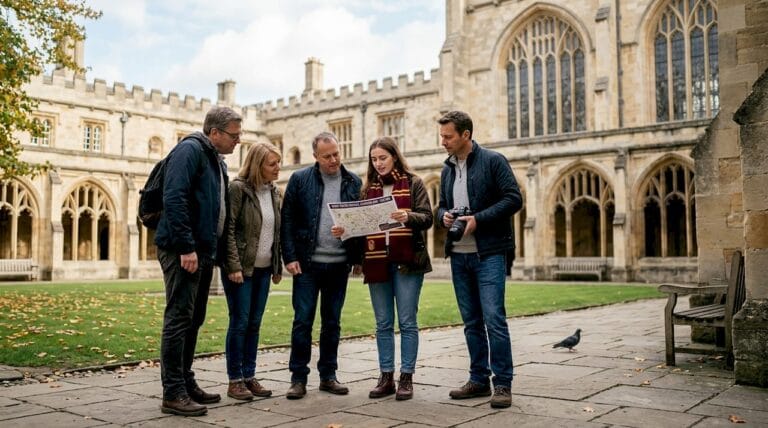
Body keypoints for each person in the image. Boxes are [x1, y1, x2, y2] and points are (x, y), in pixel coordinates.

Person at [155, 106, 241, 416]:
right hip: (184, 250)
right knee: (179, 318)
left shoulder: (215, 160)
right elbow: (174, 197)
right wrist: (186, 246)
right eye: (234, 135)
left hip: (202, 252)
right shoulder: (189, 150)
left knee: (194, 318)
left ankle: (186, 381)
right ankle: (173, 391)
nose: (238, 141)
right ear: (215, 133)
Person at [332, 137, 432, 401]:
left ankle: (406, 377)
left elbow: (428, 218)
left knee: (408, 322)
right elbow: (361, 230)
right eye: (374, 159)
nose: (378, 164)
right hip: (377, 262)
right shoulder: (368, 190)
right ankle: (385, 377)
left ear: (395, 157)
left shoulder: (413, 183)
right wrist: (346, 230)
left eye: (383, 158)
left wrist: (407, 217)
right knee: (383, 323)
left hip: (407, 262)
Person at [436, 110, 523, 409]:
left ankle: (502, 384)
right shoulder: (446, 170)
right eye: (442, 136)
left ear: (466, 135)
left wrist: (478, 220)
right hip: (459, 255)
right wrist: (444, 216)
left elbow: (514, 199)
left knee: (494, 320)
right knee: (471, 322)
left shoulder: (493, 161)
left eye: (448, 136)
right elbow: (441, 206)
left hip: (488, 253)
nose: (443, 141)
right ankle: (478, 379)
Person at [280, 131, 362, 399]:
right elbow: (288, 220)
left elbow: (361, 223)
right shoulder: (300, 179)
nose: (334, 159)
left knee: (332, 323)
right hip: (307, 265)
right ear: (315, 156)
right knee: (302, 321)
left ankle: (328, 375)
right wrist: (289, 257)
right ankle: (298, 378)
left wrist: (357, 255)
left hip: (339, 266)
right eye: (327, 156)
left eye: (336, 154)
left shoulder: (353, 181)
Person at [220, 142, 283, 401]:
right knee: (240, 321)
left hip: (264, 269)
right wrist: (233, 266)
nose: (278, 168)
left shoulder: (274, 192)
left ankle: (249, 376)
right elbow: (229, 230)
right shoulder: (237, 189)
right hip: (241, 270)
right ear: (258, 165)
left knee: (254, 324)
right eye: (272, 164)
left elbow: (275, 233)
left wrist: (277, 265)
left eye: (278, 162)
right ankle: (235, 380)